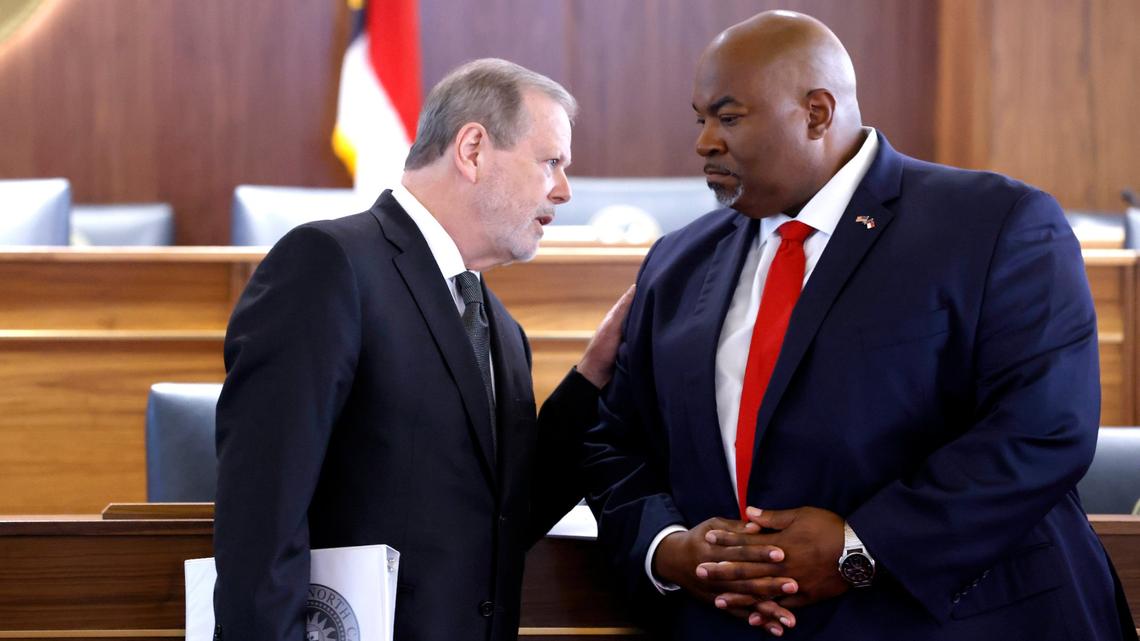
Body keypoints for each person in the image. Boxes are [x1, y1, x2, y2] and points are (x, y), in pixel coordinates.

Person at [583, 11, 1138, 640]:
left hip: (952, 620)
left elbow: (1044, 427)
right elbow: (616, 442)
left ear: (817, 113)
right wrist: (669, 547)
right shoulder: (677, 262)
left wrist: (861, 546)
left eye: (728, 117)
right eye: (700, 118)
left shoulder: (995, 223)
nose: (705, 141)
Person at [212, 58, 634, 641]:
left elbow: (501, 516)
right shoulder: (327, 265)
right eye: (551, 162)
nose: (563, 190)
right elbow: (262, 519)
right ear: (473, 149)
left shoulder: (502, 329)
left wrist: (593, 376)